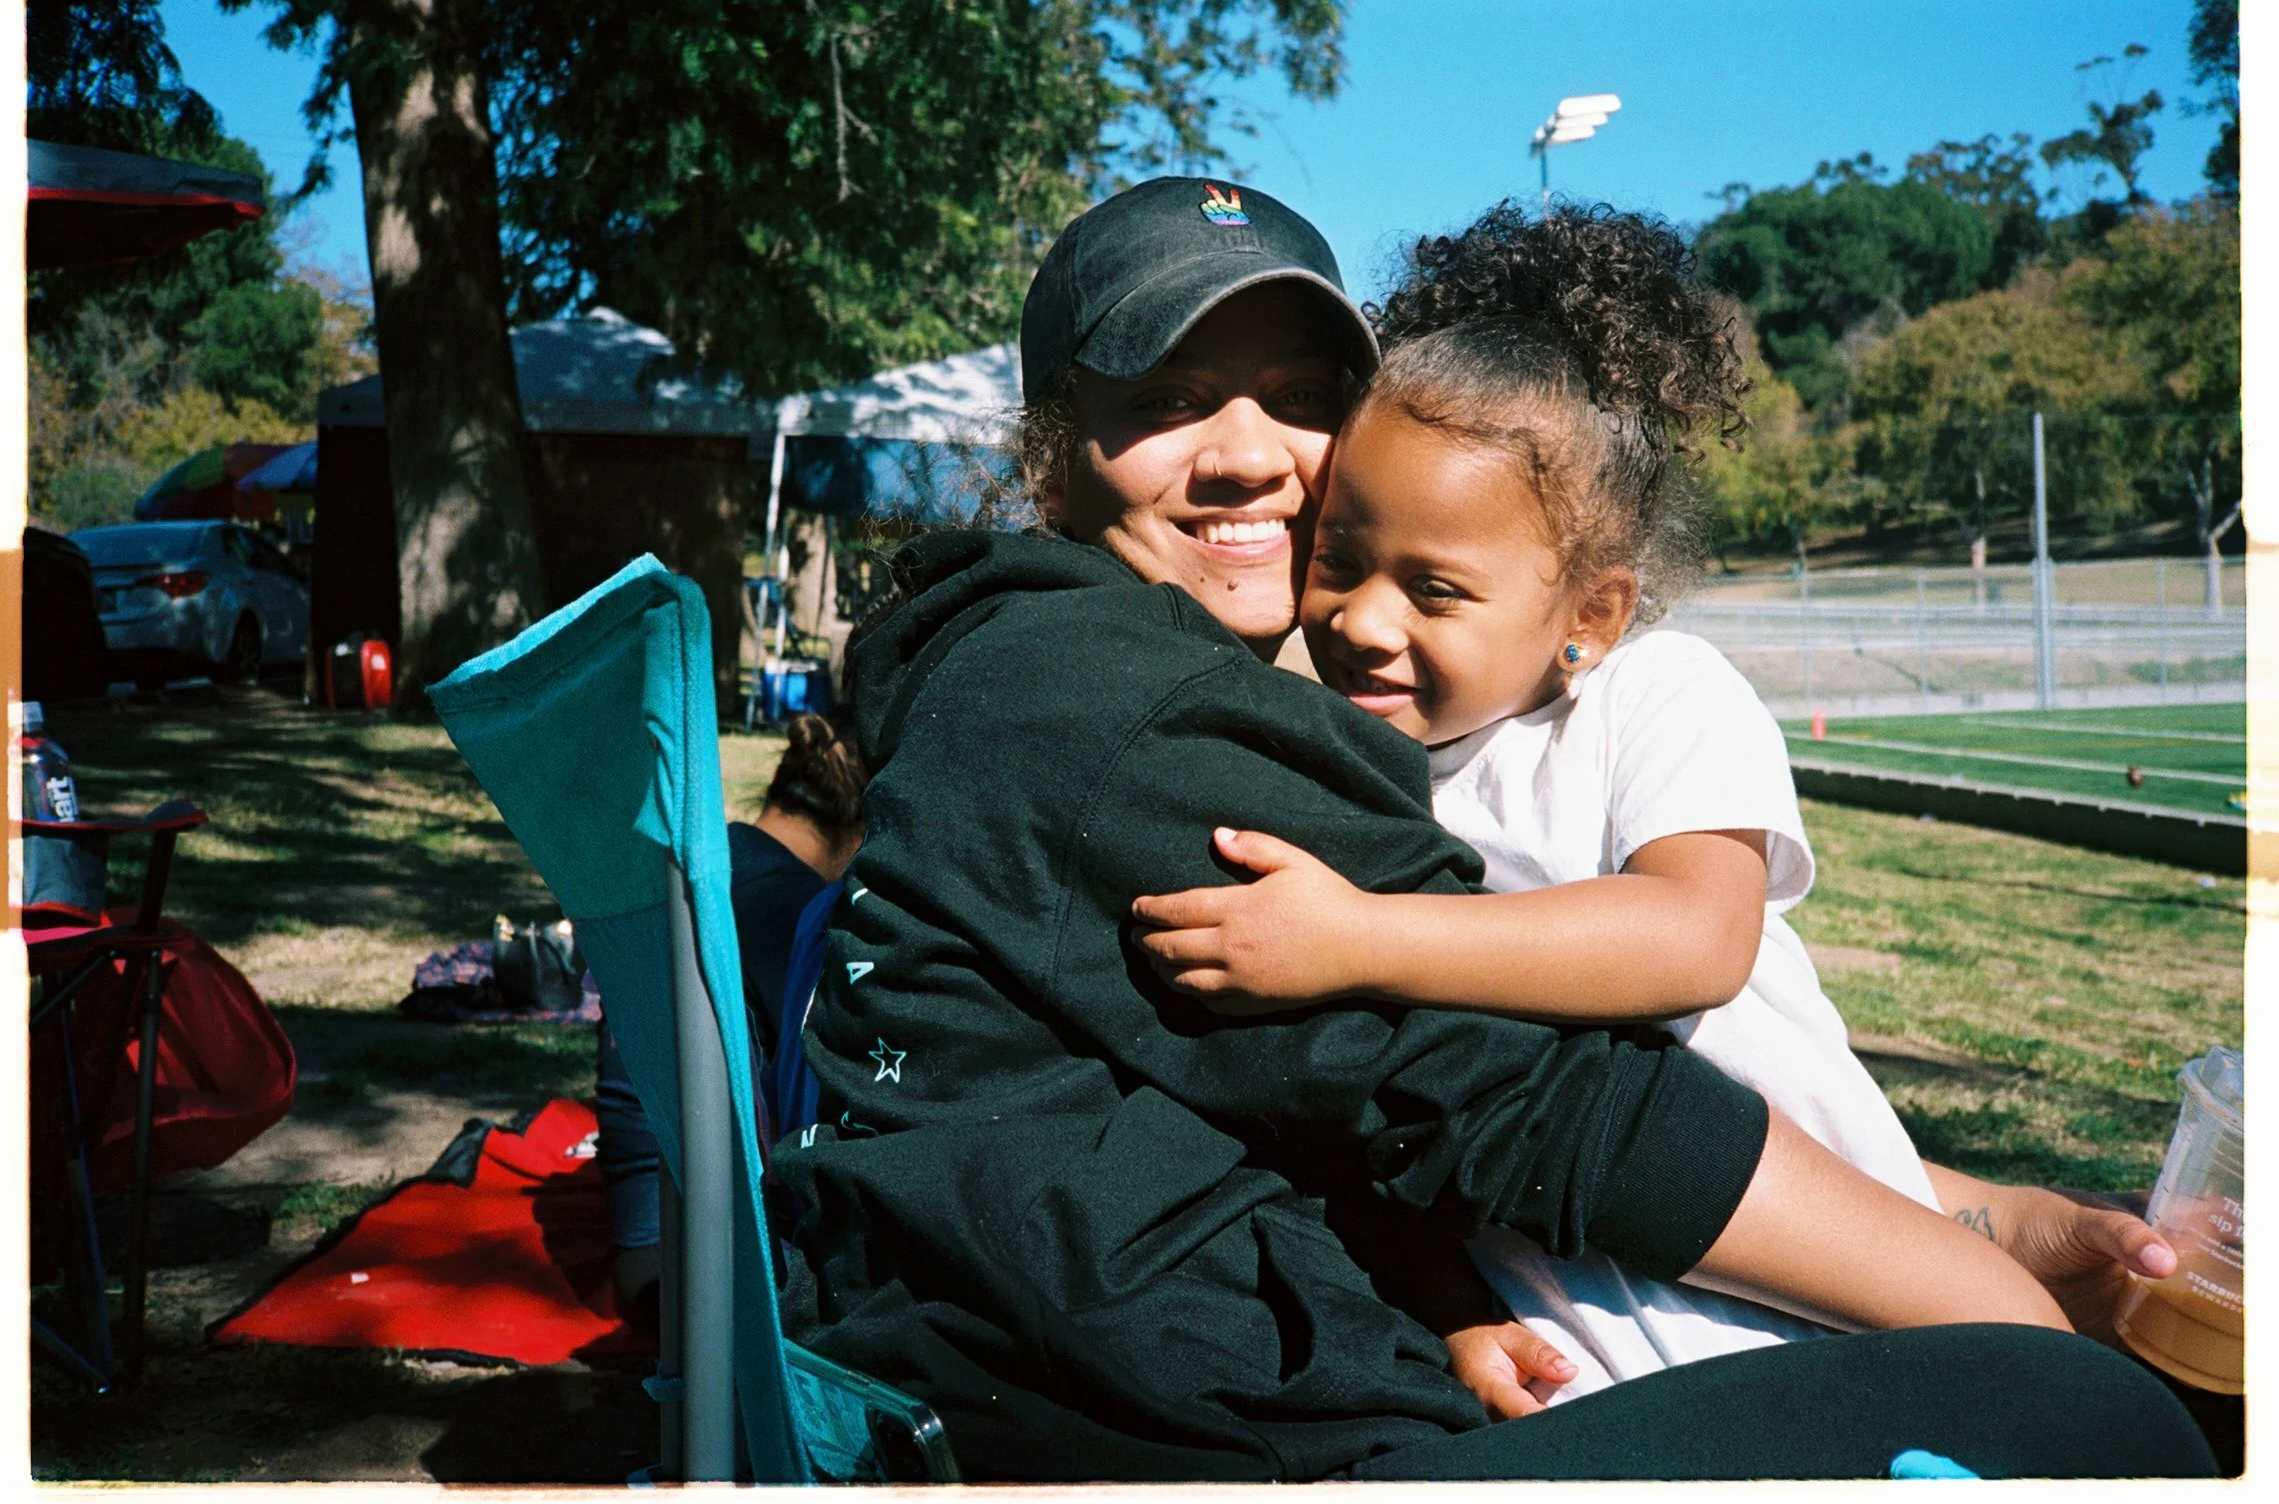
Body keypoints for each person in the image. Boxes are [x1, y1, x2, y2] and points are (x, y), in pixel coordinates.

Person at [767, 176, 2212, 1481]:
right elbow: (1513, 1094)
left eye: (1301, 394)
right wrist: (1986, 1304)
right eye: (1168, 397)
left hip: (1251, 1379)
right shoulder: (1114, 700)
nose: (1248, 455)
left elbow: (1608, 1022)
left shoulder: (1532, 708)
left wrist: (1975, 1210)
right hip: (1218, 1429)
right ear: (1049, 448)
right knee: (2098, 1418)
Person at [1128, 203, 1949, 1401]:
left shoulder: (1650, 697)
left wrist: (1355, 938)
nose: (1361, 620)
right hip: (1595, 1347)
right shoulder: (1341, 763)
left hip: (1827, 1291)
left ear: (1589, 616)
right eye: (1339, 559)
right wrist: (1449, 1307)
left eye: (1434, 589)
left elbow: (1692, 936)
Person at [594, 711, 866, 1325]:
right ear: (858, 832)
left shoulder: (695, 876)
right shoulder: (802, 915)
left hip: (638, 1231)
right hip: (701, 1277)